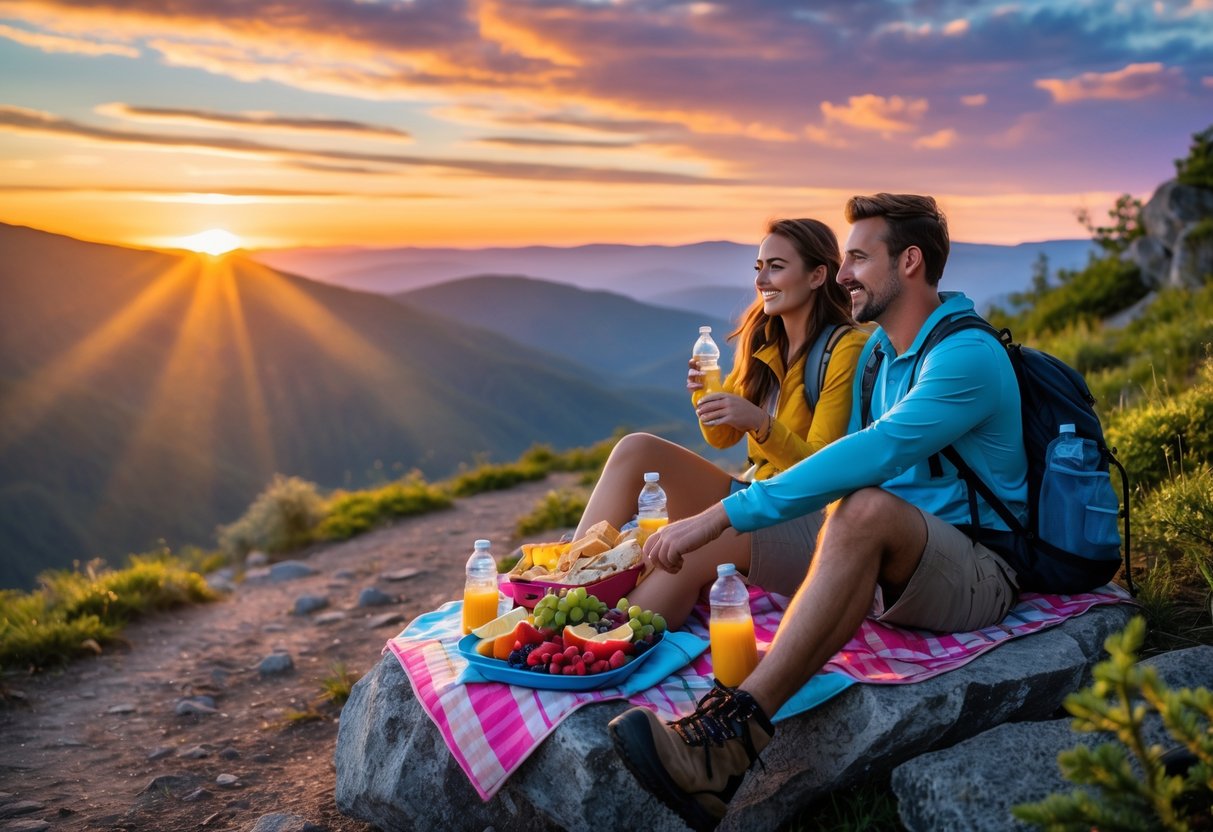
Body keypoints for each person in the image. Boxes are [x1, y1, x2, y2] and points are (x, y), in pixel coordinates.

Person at [608, 193, 1027, 832]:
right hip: (901, 552)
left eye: (859, 257)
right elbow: (830, 465)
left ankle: (729, 741)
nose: (845, 272)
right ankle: (592, 626)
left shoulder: (962, 357)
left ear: (909, 262)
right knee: (854, 510)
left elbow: (869, 454)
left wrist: (726, 514)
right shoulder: (885, 355)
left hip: (978, 566)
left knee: (862, 507)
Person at [571, 218, 868, 629]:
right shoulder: (765, 337)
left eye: (776, 267)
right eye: (758, 267)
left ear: (818, 275)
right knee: (636, 448)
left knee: (694, 544)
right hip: (757, 493)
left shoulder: (846, 349)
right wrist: (704, 396)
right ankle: (569, 583)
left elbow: (824, 471)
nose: (761, 279)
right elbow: (723, 436)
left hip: (813, 520)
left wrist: (762, 425)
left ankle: (606, 632)